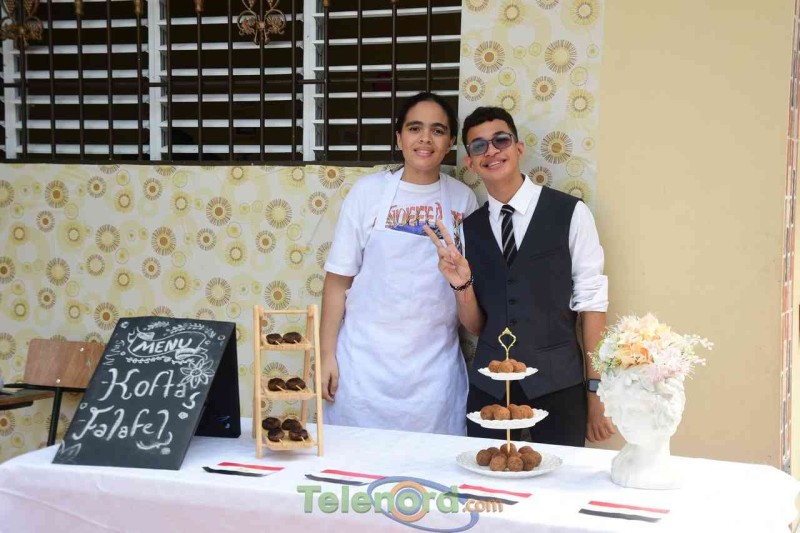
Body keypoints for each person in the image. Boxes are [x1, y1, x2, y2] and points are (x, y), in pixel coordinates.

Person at [423, 106, 614, 446]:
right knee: (484, 472)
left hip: (559, 383)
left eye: (501, 140)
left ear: (518, 148)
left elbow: (592, 306)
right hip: (489, 385)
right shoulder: (468, 229)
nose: (491, 151)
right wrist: (461, 285)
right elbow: (477, 326)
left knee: (561, 475)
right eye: (479, 146)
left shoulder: (571, 213)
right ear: (471, 162)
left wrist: (596, 391)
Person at [319, 92, 479, 435]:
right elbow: (337, 281)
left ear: (450, 142)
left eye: (438, 130)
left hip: (433, 376)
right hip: (361, 369)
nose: (425, 138)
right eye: (414, 128)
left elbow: (468, 287)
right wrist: (326, 355)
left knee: (429, 467)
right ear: (399, 138)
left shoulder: (463, 200)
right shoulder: (367, 193)